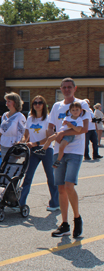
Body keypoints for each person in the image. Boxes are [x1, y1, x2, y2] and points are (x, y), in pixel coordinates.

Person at [46, 78, 90, 238]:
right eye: (64, 87)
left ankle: (77, 218)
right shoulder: (57, 106)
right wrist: (53, 136)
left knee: (69, 185)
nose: (66, 89)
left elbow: (84, 129)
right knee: (61, 188)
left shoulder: (82, 105)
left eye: (69, 87)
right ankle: (64, 224)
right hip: (58, 150)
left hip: (75, 151)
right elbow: (50, 127)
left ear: (75, 88)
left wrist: (63, 134)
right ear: (60, 89)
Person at [19, 96, 59, 211]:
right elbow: (27, 134)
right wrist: (23, 142)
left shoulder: (48, 119)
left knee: (51, 177)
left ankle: (55, 203)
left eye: (40, 102)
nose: (37, 104)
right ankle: (21, 202)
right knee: (28, 177)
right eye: (35, 102)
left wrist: (35, 143)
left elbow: (48, 137)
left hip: (46, 150)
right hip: (33, 151)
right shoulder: (30, 118)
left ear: (44, 105)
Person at [35, 102, 84, 168]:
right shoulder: (67, 117)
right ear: (70, 111)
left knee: (61, 147)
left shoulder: (79, 120)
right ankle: (43, 150)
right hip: (60, 132)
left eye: (77, 109)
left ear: (81, 110)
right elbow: (63, 125)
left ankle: (58, 161)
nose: (75, 111)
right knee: (49, 138)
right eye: (73, 110)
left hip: (69, 135)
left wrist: (71, 125)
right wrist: (64, 123)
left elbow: (78, 130)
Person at [0, 92, 26, 159]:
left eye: (9, 101)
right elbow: (1, 129)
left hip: (13, 146)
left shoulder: (20, 116)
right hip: (3, 144)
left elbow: (21, 132)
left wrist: (18, 145)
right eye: (6, 101)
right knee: (4, 166)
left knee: (11, 167)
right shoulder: (4, 115)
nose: (7, 103)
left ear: (15, 102)